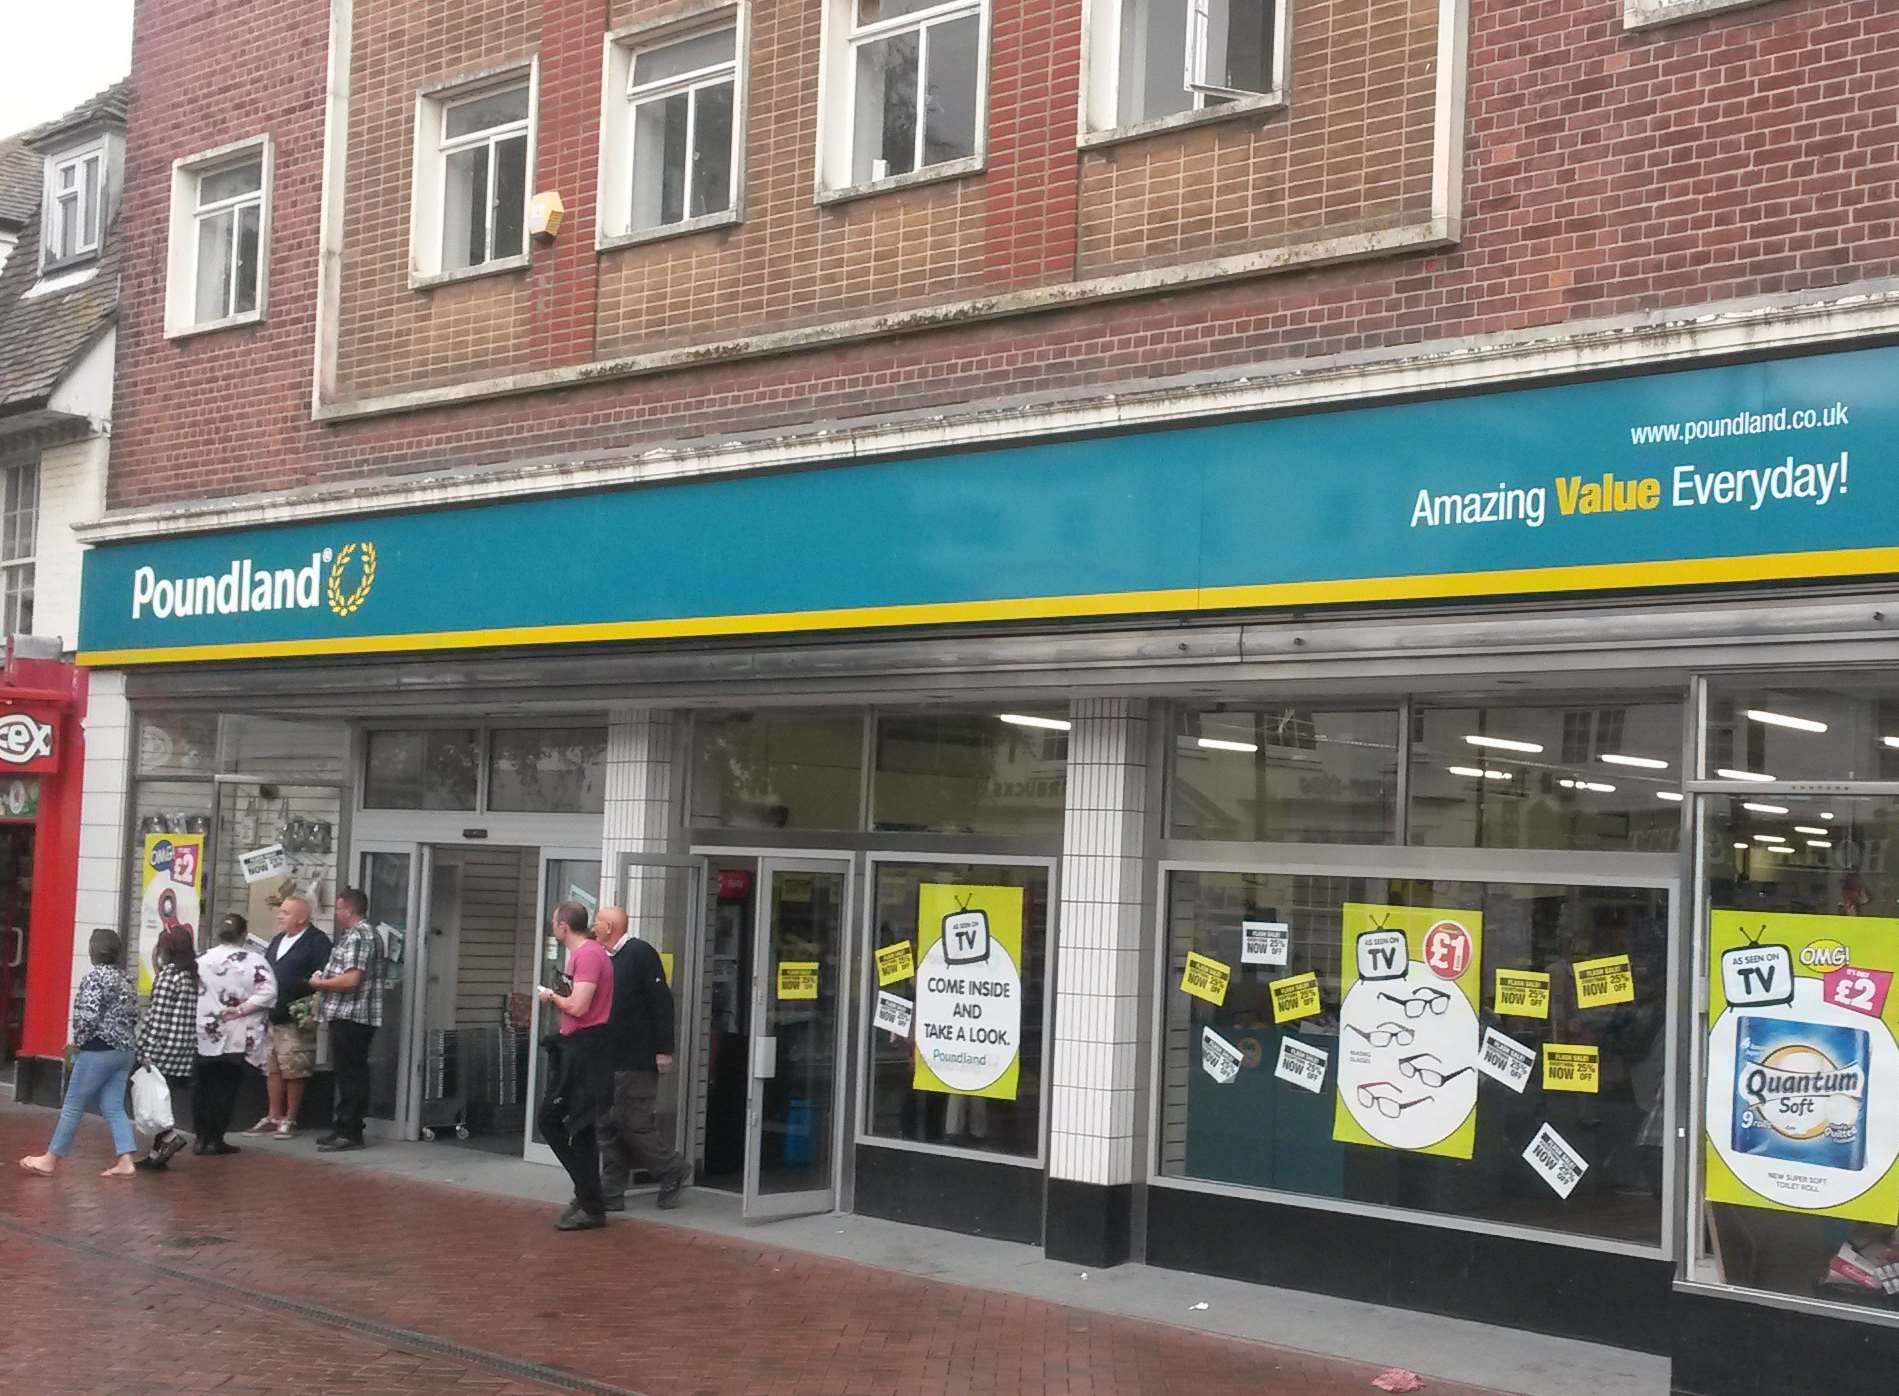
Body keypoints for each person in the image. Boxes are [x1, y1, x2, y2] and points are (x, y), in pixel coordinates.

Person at [18, 928, 140, 1179]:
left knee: (73, 1103)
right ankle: (126, 1159)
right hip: (125, 1051)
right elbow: (134, 1015)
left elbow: (88, 1017)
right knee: (113, 1105)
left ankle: (50, 1159)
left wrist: (77, 1044)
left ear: (93, 951)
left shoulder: (95, 978)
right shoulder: (125, 979)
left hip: (98, 1050)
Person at [592, 906, 689, 1211]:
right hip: (609, 1055)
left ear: (609, 927)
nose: (593, 927)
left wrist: (664, 1049)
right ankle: (611, 1191)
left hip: (637, 1055)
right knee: (607, 1124)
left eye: (597, 922)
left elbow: (661, 1003)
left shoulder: (640, 953)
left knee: (632, 1122)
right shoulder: (604, 958)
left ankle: (671, 1167)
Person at [536, 900, 615, 1231]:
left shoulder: (587, 955)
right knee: (572, 1125)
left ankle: (591, 1200)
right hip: (580, 1047)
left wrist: (551, 997)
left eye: (554, 922)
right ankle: (587, 1194)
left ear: (563, 927)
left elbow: (580, 1007)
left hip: (585, 1050)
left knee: (565, 1123)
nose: (553, 927)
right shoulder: (587, 955)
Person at [246, 895, 332, 1139]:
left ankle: (290, 1117)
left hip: (297, 1015)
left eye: (285, 912)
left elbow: (323, 973)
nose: (279, 915)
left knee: (295, 1068)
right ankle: (273, 1114)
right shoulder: (277, 940)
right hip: (273, 1015)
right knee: (272, 1067)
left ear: (301, 917)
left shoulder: (316, 941)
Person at [194, 913, 277, 1154]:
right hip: (237, 1036)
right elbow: (268, 993)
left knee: (203, 1086)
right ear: (243, 935)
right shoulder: (254, 961)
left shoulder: (202, 960)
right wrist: (241, 1009)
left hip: (205, 1033)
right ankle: (216, 1138)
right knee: (226, 1087)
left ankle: (200, 1138)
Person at [308, 887, 381, 1153]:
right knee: (346, 1071)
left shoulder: (361, 935)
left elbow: (352, 978)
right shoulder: (353, 935)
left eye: (338, 908)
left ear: (349, 910)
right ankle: (342, 1126)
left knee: (352, 1073)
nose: (336, 913)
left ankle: (350, 1130)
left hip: (353, 1014)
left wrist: (320, 983)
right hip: (344, 1013)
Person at [133, 925, 201, 1170]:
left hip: (163, 1049)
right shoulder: (191, 975)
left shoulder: (168, 975)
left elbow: (158, 1017)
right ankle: (156, 1154)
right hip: (183, 1048)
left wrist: (145, 1049)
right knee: (162, 1100)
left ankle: (169, 1138)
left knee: (153, 1101)